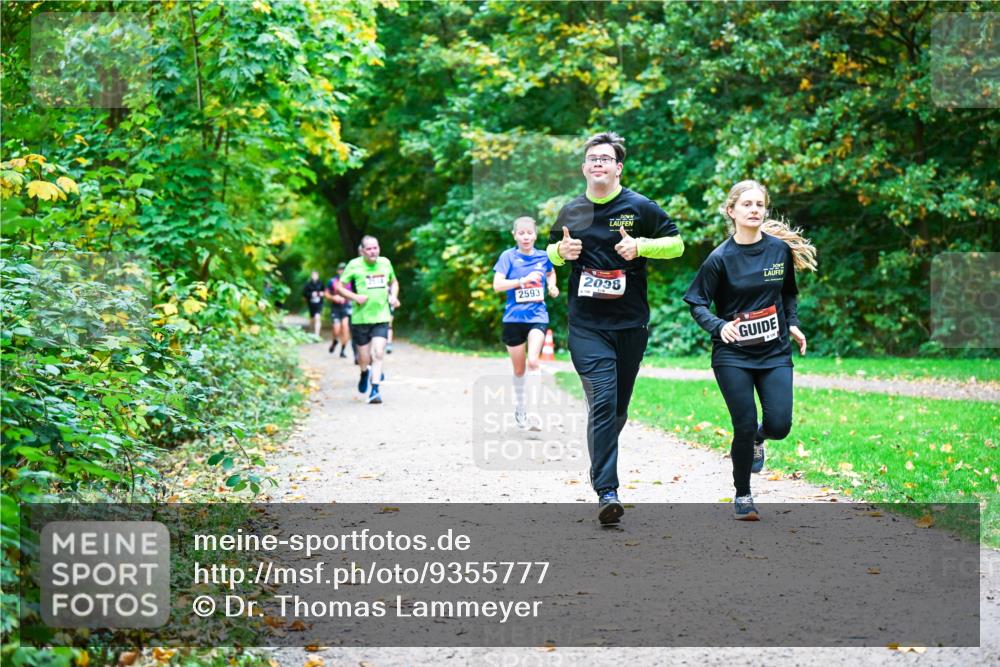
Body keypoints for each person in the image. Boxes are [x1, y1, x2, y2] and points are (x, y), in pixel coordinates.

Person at [547, 131, 684, 525]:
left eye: (606, 158)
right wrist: (561, 252)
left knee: (616, 409)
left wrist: (641, 246)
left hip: (630, 324)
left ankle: (601, 450)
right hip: (587, 325)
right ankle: (607, 490)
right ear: (584, 167)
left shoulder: (640, 207)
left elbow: (676, 245)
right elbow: (550, 254)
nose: (598, 164)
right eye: (592, 158)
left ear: (618, 167)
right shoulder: (571, 210)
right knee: (604, 401)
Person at [683, 180, 816, 520]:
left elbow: (788, 293)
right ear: (732, 211)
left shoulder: (778, 251)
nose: (755, 209)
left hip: (774, 351)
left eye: (760, 204)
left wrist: (793, 323)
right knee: (742, 424)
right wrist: (719, 326)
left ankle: (761, 437)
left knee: (780, 424)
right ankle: (743, 494)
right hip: (733, 354)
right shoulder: (719, 259)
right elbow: (697, 302)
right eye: (747, 205)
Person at [492, 216, 559, 429]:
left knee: (533, 362)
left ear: (535, 234)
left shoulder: (543, 256)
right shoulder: (508, 257)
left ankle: (533, 413)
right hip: (513, 319)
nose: (526, 237)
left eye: (529, 233)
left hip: (537, 316)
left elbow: (551, 272)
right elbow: (497, 285)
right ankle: (521, 408)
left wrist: (552, 286)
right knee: (519, 370)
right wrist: (521, 281)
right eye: (521, 233)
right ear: (515, 235)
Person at [336, 235, 400, 404]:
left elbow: (394, 282)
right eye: (369, 249)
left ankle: (375, 390)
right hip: (361, 319)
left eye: (375, 248)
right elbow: (339, 287)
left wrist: (393, 296)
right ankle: (364, 372)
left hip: (381, 316)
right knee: (364, 358)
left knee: (378, 353)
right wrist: (355, 297)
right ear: (362, 251)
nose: (373, 252)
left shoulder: (385, 263)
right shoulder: (354, 265)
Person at [325, 262, 351, 357]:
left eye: (344, 269)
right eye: (341, 269)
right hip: (336, 308)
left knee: (345, 327)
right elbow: (326, 294)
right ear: (338, 271)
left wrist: (348, 298)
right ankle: (335, 341)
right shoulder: (332, 281)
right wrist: (334, 297)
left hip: (346, 307)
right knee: (336, 329)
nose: (342, 271)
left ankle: (343, 350)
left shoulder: (350, 281)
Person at [302, 271, 324, 337]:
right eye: (313, 275)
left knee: (318, 317)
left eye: (316, 275)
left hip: (319, 303)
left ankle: (317, 334)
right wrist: (311, 294)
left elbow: (324, 292)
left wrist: (321, 294)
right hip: (311, 304)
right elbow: (304, 294)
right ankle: (311, 331)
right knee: (312, 319)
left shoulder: (321, 283)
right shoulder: (308, 284)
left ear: (318, 276)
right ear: (311, 276)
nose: (315, 276)